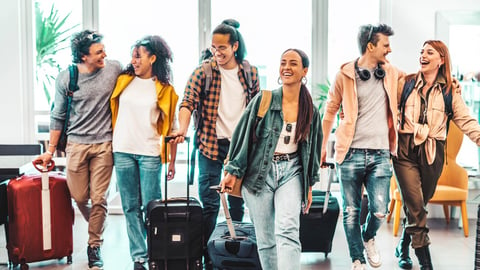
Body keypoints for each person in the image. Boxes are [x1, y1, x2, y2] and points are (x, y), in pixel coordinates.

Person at [220, 48, 322, 270]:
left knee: (287, 231)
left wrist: (309, 186)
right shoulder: (264, 100)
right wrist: (231, 172)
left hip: (292, 172)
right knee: (265, 239)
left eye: (293, 63)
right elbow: (242, 136)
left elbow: (313, 150)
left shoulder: (311, 111)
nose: (287, 67)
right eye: (283, 62)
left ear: (305, 70)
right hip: (259, 174)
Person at [171, 18, 260, 268]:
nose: (217, 52)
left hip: (240, 149)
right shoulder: (203, 71)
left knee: (236, 202)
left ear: (234, 46)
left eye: (222, 47)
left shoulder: (250, 71)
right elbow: (187, 101)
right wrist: (183, 127)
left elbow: (258, 112)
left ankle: (234, 253)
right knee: (209, 205)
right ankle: (208, 258)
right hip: (210, 145)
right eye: (213, 47)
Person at [34, 30, 122, 269]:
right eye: (99, 52)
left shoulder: (114, 68)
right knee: (80, 196)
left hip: (104, 144)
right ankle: (98, 221)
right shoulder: (67, 78)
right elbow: (58, 115)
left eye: (103, 49)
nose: (106, 54)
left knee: (99, 198)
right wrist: (50, 151)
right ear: (83, 56)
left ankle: (94, 246)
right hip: (76, 145)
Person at [320, 24, 404, 270]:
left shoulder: (390, 72)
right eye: (385, 45)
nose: (390, 49)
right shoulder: (344, 75)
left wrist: (451, 82)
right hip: (350, 153)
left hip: (380, 154)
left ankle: (368, 237)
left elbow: (415, 80)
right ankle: (356, 259)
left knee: (380, 209)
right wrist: (323, 147)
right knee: (351, 211)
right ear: (371, 46)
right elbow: (329, 112)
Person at [392, 40, 480, 270]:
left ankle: (403, 245)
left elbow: (465, 120)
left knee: (418, 205)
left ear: (441, 60)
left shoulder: (451, 90)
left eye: (429, 52)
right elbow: (384, 103)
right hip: (404, 150)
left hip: (433, 153)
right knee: (416, 207)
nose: (423, 54)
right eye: (421, 51)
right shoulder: (406, 83)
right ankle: (426, 264)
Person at [110, 36, 178, 270]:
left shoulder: (165, 89)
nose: (134, 60)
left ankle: (157, 254)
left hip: (149, 152)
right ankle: (139, 257)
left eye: (138, 56)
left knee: (153, 208)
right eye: (133, 55)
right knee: (130, 206)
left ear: (153, 58)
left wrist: (171, 161)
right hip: (122, 151)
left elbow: (172, 127)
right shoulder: (123, 81)